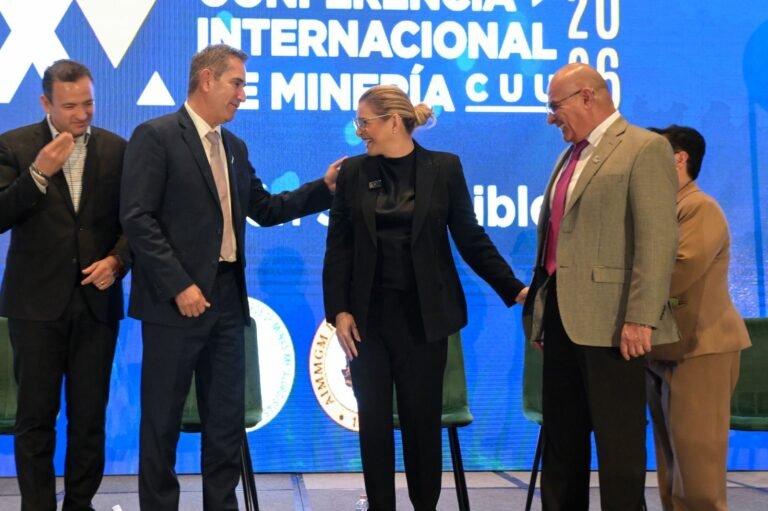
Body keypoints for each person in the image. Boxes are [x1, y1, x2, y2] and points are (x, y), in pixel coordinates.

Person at [120, 44, 339, 510]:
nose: (242, 94)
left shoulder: (234, 148)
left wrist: (324, 189)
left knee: (226, 423)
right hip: (173, 304)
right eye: (236, 83)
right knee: (161, 423)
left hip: (226, 300)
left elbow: (266, 209)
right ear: (206, 79)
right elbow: (137, 219)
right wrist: (180, 285)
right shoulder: (156, 136)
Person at [323, 84, 527, 511]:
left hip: (424, 320)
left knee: (422, 426)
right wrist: (338, 311)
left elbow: (470, 238)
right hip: (366, 323)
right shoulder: (354, 173)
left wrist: (514, 288)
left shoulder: (444, 168)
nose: (360, 131)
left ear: (394, 122)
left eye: (365, 122)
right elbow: (339, 248)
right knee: (373, 425)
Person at [522, 63, 680, 511]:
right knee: (561, 444)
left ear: (587, 96)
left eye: (555, 106)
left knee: (619, 447)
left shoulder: (644, 148)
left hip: (614, 323)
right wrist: (542, 315)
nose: (550, 117)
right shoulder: (568, 156)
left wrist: (641, 318)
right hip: (561, 321)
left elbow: (656, 241)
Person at [0, 59, 129, 511]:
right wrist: (36, 174)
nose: (82, 114)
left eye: (88, 103)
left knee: (89, 418)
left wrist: (118, 260)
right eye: (70, 106)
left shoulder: (117, 149)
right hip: (35, 307)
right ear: (46, 103)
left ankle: (79, 504)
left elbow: (136, 220)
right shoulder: (13, 146)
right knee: (35, 419)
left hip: (97, 305)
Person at [645, 125, 751, 511]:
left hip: (701, 349)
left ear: (679, 158)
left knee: (697, 473)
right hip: (665, 348)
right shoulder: (664, 208)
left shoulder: (699, 207)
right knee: (672, 471)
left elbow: (680, 270)